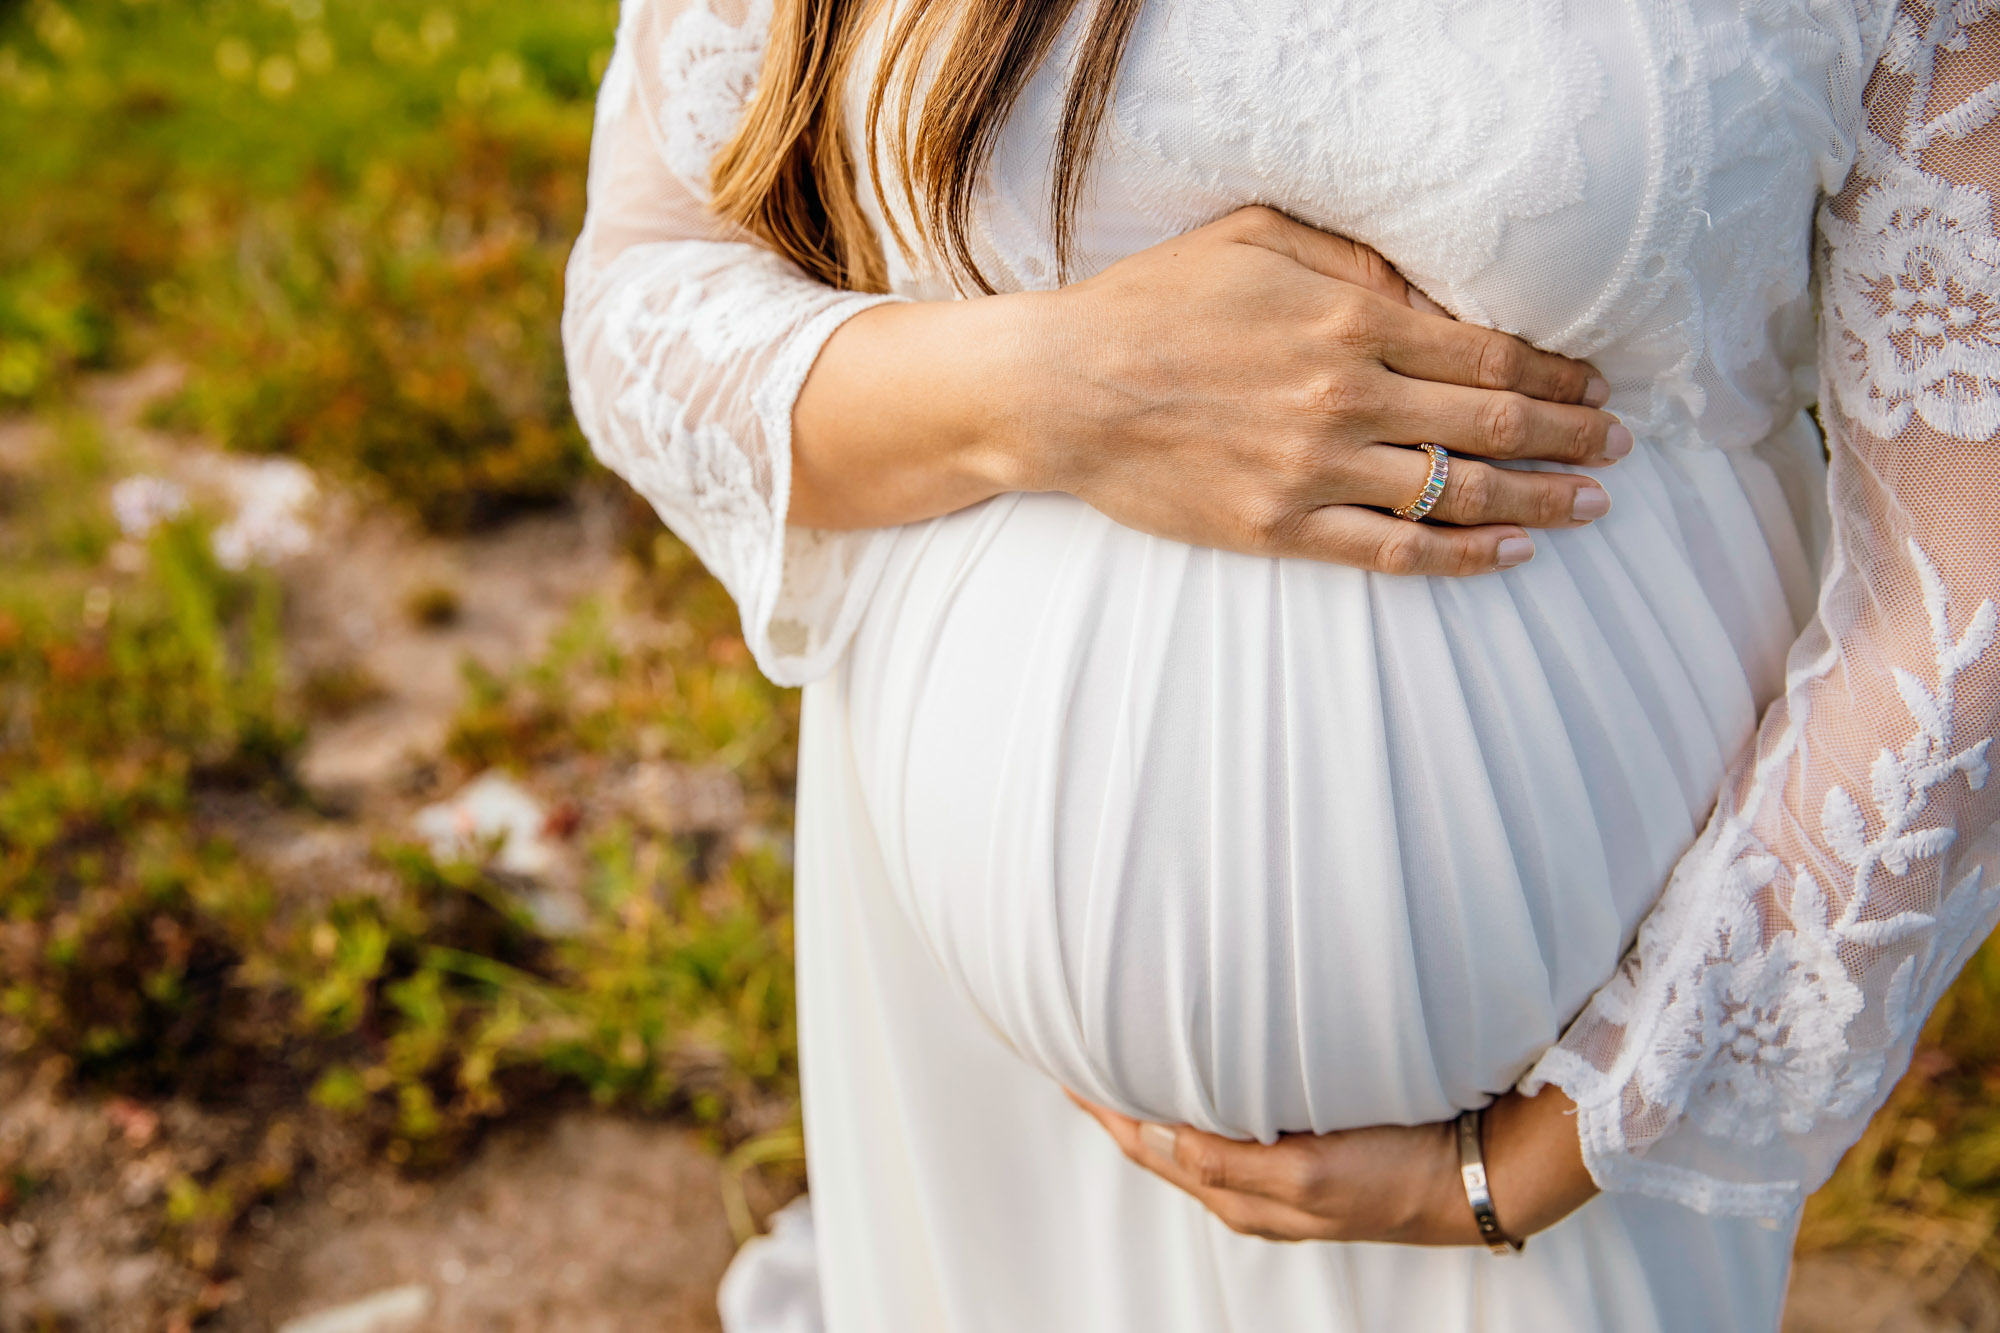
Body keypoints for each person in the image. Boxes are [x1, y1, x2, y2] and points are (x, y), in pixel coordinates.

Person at [561, 0, 2000, 1328]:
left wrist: (1587, 1127)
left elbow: (1962, 581)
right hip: (981, 1080)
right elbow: (643, 299)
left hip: (1583, 1111)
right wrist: (1047, 392)